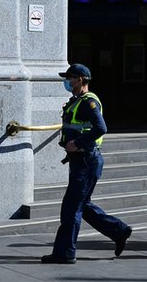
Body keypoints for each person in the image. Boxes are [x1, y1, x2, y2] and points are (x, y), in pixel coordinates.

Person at [42, 64, 132, 264]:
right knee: (83, 205)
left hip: (87, 160)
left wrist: (77, 143)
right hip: (82, 161)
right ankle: (119, 231)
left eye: (70, 78)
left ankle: (65, 253)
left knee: (71, 209)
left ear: (81, 79)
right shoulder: (77, 101)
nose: (67, 81)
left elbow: (101, 127)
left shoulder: (88, 102)